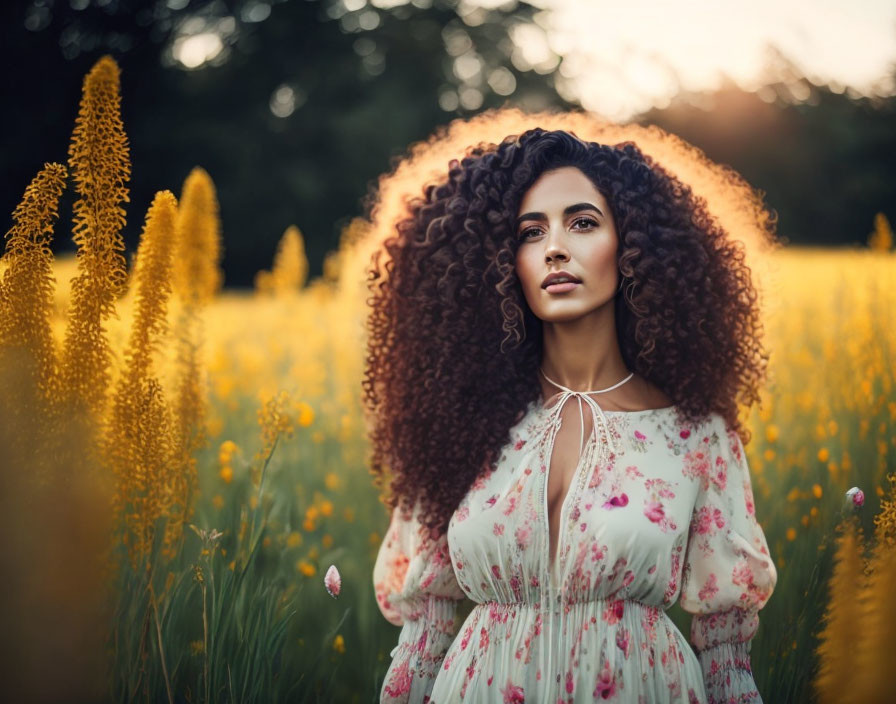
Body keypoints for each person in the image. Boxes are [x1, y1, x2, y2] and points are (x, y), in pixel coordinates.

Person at [364, 128, 778, 703]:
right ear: (501, 261)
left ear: (634, 244)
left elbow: (728, 660)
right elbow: (422, 638)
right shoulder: (458, 427)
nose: (555, 248)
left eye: (582, 223)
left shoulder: (696, 435)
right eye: (531, 232)